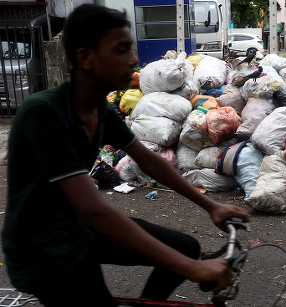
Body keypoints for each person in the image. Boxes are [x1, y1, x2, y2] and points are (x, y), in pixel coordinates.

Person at [1, 4, 249, 307]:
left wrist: (211, 206)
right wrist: (193, 269)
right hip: (43, 250)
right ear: (86, 58)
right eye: (121, 50)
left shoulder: (100, 111)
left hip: (76, 229)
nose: (133, 59)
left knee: (185, 246)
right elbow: (95, 210)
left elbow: (148, 161)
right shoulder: (44, 114)